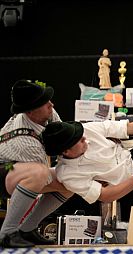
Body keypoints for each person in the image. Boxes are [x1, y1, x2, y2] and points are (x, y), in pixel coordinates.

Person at [0, 80, 72, 248]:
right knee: (39, 173)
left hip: (19, 170)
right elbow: (43, 178)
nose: (51, 104)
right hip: (5, 169)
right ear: (30, 111)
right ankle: (7, 233)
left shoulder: (48, 112)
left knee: (71, 180)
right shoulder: (24, 142)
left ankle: (28, 229)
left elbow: (63, 139)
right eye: (45, 102)